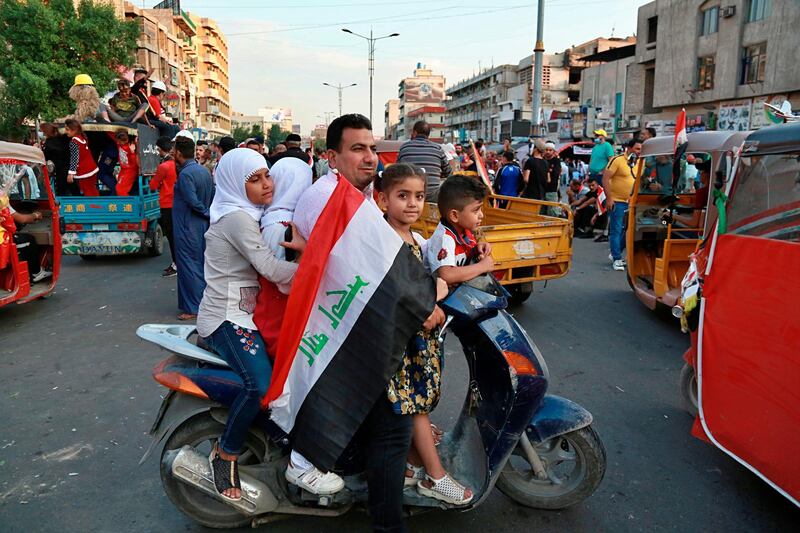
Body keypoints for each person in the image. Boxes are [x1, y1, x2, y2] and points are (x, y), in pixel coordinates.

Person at [293, 114, 444, 531]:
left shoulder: (352, 196)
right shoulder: (330, 198)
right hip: (342, 333)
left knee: (390, 431)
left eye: (372, 148)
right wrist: (421, 301)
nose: (369, 157)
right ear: (332, 156)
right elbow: (353, 272)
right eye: (357, 149)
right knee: (392, 434)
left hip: (361, 329)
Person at [196, 148, 305, 501]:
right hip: (225, 318)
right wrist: (317, 270)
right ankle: (224, 453)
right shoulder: (237, 220)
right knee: (259, 385)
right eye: (254, 180)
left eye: (267, 176)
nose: (266, 185)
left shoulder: (248, 213)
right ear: (233, 183)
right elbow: (271, 269)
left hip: (244, 316)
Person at [374, 163, 474, 506]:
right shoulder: (386, 241)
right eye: (403, 196)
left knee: (419, 402)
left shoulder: (412, 237)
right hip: (400, 344)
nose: (413, 204)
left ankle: (413, 466)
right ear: (383, 200)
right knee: (416, 406)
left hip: (417, 342)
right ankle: (436, 476)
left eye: (418, 196)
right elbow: (395, 292)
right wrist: (434, 294)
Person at [172, 134, 214, 320]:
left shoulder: (186, 174)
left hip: (188, 226)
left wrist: (205, 212)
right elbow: (212, 195)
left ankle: (193, 307)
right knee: (199, 263)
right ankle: (200, 302)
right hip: (201, 225)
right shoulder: (203, 171)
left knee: (189, 265)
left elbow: (193, 202)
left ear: (178, 153)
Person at [426, 174, 495, 285]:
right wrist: (481, 267)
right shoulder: (445, 238)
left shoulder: (465, 231)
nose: (481, 215)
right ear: (455, 216)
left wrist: (477, 249)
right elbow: (447, 275)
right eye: (476, 210)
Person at [602, 139, 642, 271]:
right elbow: (605, 178)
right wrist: (609, 198)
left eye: (640, 149)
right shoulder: (617, 160)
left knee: (629, 230)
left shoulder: (641, 162)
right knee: (616, 229)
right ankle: (617, 258)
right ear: (629, 148)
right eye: (637, 149)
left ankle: (616, 251)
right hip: (617, 201)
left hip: (632, 202)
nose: (639, 152)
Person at [396, 120, 452, 201]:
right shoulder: (437, 148)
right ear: (428, 134)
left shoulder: (404, 147)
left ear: (414, 133)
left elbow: (398, 171)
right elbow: (448, 172)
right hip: (432, 196)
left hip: (410, 195)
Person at [150, 136, 178, 277]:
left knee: (172, 237)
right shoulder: (177, 164)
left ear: (160, 149)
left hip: (167, 203)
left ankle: (175, 264)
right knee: (176, 236)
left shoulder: (164, 166)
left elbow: (153, 185)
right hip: (177, 203)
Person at [3, 205, 52, 283]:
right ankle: (37, 272)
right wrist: (35, 215)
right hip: (4, 240)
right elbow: (22, 219)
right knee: (29, 239)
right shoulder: (2, 201)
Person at [64, 119, 99, 197]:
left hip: (84, 171)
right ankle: (97, 206)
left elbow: (74, 158)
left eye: (67, 129)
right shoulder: (82, 138)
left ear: (74, 130)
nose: (65, 131)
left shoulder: (73, 142)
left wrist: (71, 173)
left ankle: (93, 207)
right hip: (92, 168)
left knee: (87, 191)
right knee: (92, 189)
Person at [41, 123, 74, 196]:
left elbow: (46, 157)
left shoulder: (49, 143)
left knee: (61, 192)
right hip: (71, 168)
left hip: (59, 171)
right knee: (74, 191)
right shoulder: (64, 138)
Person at [109, 129, 139, 196]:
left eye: (119, 142)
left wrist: (132, 152)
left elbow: (134, 163)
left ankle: (129, 204)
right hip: (123, 170)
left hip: (130, 171)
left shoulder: (131, 147)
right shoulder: (119, 144)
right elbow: (111, 134)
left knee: (119, 189)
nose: (118, 143)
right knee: (120, 189)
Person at [543, 142, 562, 214]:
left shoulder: (556, 161)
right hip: (542, 190)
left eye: (550, 150)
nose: (548, 152)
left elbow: (556, 174)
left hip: (552, 190)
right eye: (546, 150)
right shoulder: (542, 160)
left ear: (553, 151)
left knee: (552, 212)